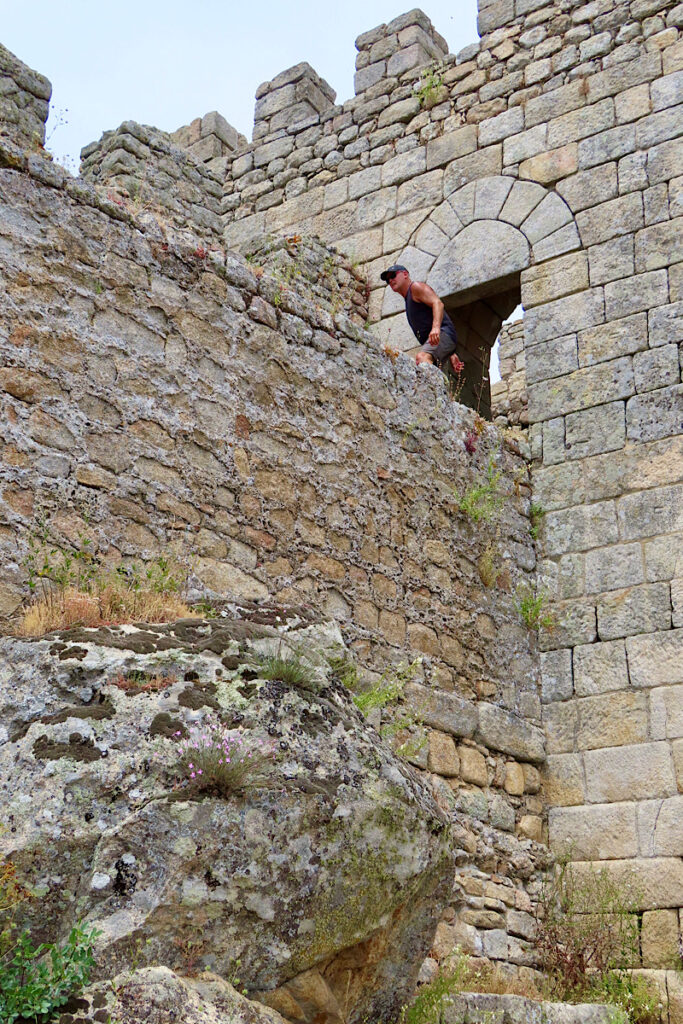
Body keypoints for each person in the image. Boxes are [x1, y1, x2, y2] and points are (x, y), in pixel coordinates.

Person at [380, 264, 462, 375]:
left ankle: (433, 392)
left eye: (393, 275)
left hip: (443, 332)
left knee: (422, 357)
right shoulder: (408, 299)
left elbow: (438, 303)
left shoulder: (415, 287)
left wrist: (436, 328)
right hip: (440, 339)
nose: (390, 280)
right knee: (424, 366)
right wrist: (450, 352)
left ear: (405, 274)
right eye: (387, 279)